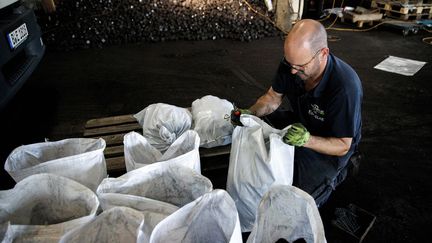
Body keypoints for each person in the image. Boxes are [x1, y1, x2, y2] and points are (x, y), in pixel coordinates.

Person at [234, 19, 363, 207]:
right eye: (290, 64)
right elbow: (272, 98)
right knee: (258, 125)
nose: (293, 71)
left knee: (298, 200)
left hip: (330, 144)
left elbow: (342, 144)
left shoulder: (344, 87)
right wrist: (250, 113)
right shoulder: (292, 63)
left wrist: (307, 141)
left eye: (300, 67)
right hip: (302, 122)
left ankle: (340, 174)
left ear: (323, 54)